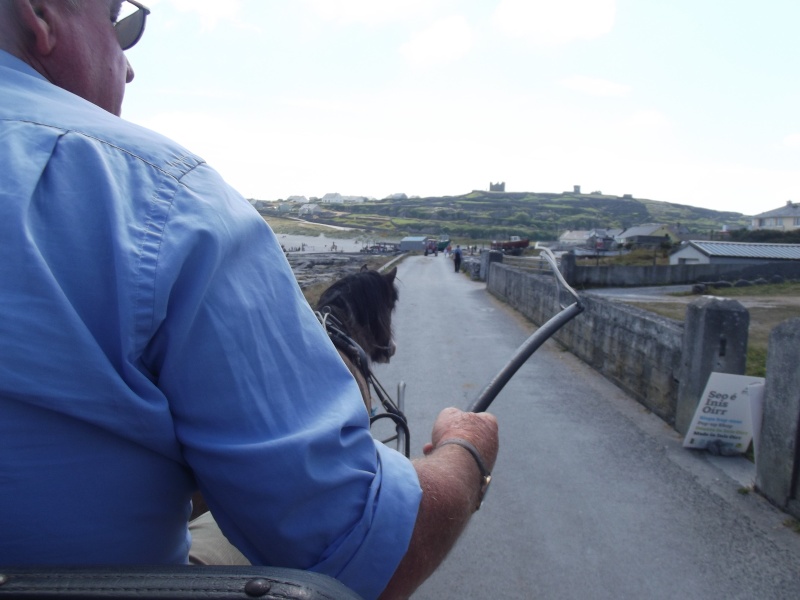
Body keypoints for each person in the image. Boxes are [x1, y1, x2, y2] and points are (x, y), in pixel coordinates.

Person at [0, 2, 499, 599]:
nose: (128, 68)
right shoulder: (159, 198)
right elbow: (366, 556)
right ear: (41, 14)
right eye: (116, 23)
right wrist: (466, 450)